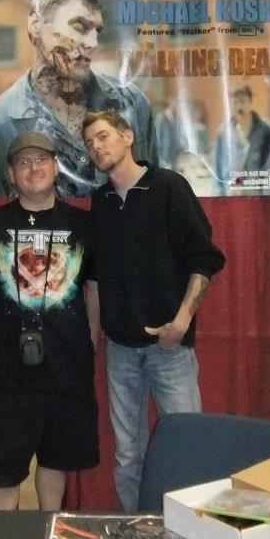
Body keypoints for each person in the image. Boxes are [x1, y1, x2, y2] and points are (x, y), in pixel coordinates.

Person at [81, 110, 225, 511]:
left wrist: (181, 323)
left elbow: (204, 259)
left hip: (170, 349)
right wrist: (94, 336)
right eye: (90, 143)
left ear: (127, 136)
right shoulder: (101, 202)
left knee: (188, 448)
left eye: (103, 136)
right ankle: (136, 529)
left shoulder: (169, 187)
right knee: (128, 457)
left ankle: (195, 533)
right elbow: (95, 278)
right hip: (120, 351)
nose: (96, 147)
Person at [0, 130, 101, 510]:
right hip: (8, 372)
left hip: (67, 369)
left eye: (41, 160)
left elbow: (94, 288)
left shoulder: (83, 225)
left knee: (55, 461)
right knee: (4, 470)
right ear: (11, 174)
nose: (33, 168)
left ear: (55, 167)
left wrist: (90, 340)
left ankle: (48, 530)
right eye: (23, 162)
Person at [0, 0, 157, 198]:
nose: (92, 43)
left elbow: (152, 202)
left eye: (97, 30)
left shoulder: (132, 105)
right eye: (79, 26)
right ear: (36, 24)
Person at [213, 84, 270, 186]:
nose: (239, 107)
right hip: (232, 189)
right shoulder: (223, 131)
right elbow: (217, 165)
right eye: (235, 103)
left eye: (242, 102)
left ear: (250, 102)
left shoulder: (266, 129)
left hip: (257, 188)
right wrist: (220, 191)